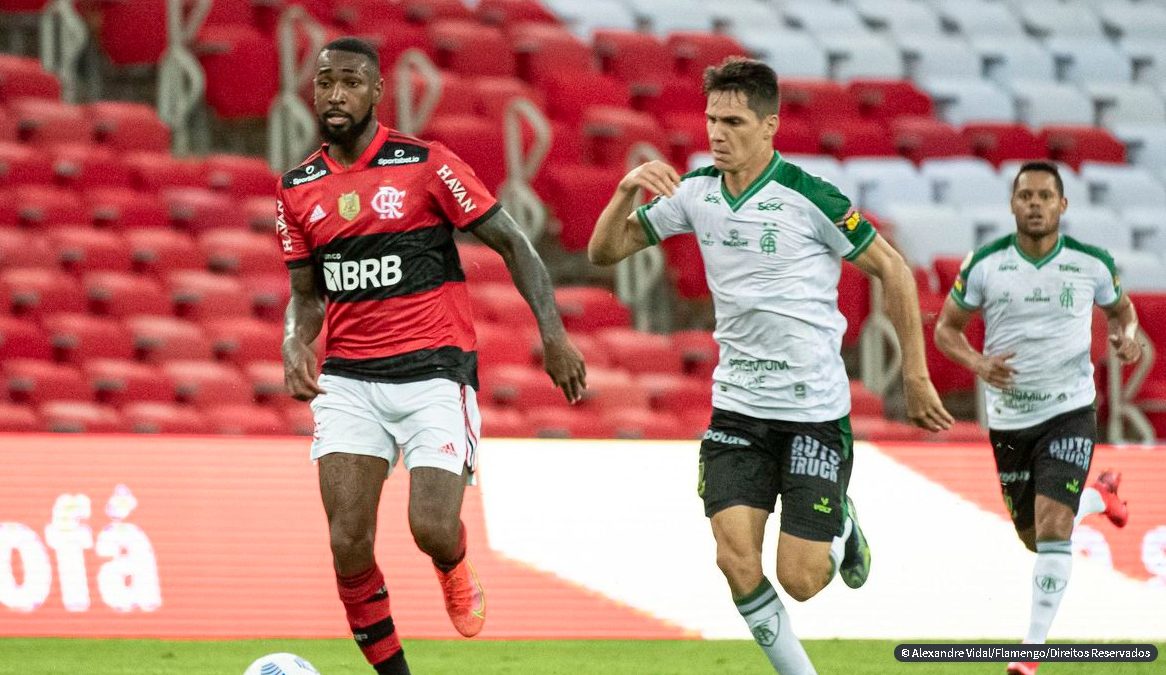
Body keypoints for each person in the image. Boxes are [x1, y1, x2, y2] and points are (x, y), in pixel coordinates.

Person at [588, 57, 953, 674]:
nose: (716, 133)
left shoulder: (809, 196)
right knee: (734, 561)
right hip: (736, 408)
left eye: (732, 121)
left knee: (803, 580)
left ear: (770, 126)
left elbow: (891, 268)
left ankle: (841, 521)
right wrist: (626, 189)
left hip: (812, 413)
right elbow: (605, 252)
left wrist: (915, 375)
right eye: (711, 119)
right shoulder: (695, 194)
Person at [276, 37, 586, 674]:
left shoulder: (426, 164)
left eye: (351, 83)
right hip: (351, 379)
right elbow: (306, 296)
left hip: (434, 373)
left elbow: (515, 244)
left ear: (377, 91)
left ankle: (453, 564)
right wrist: (292, 342)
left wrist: (553, 334)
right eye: (325, 82)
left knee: (432, 528)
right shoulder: (297, 189)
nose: (336, 95)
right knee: (348, 543)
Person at [934, 161, 1138, 675]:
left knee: (1052, 527)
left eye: (1045, 196)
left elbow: (1122, 311)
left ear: (1062, 205)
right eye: (1025, 195)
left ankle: (1032, 650)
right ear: (1012, 204)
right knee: (1034, 535)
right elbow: (946, 330)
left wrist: (1127, 335)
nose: (1035, 204)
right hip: (1010, 418)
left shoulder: (1092, 264)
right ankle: (1101, 497)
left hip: (1070, 410)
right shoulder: (984, 264)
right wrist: (979, 363)